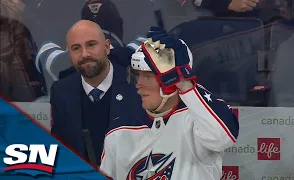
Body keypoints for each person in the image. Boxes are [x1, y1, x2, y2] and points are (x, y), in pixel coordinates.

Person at [100, 27, 239, 180]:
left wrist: (185, 83)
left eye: (147, 76)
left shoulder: (197, 120)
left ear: (172, 80)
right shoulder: (119, 130)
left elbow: (223, 138)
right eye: (138, 75)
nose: (138, 84)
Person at [50, 20, 143, 166]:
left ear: (106, 47)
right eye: (76, 48)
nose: (85, 54)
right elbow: (60, 147)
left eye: (91, 45)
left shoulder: (137, 85)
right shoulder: (61, 91)